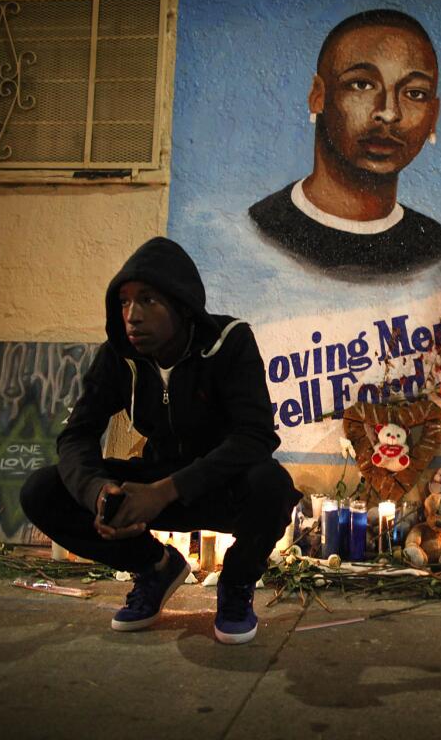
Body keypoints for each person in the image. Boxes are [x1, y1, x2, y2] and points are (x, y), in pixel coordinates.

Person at [20, 236, 301, 644]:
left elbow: (255, 436)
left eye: (148, 301)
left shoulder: (230, 342)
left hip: (219, 485)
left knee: (273, 487)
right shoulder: (119, 356)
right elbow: (76, 435)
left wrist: (166, 491)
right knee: (43, 490)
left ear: (182, 306)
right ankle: (155, 566)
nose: (132, 316)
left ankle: (237, 584)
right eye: (124, 302)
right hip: (154, 477)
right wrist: (98, 491)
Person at [248, 9, 441, 279]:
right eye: (362, 85)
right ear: (318, 96)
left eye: (414, 93)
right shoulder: (255, 232)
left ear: (432, 117)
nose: (388, 112)